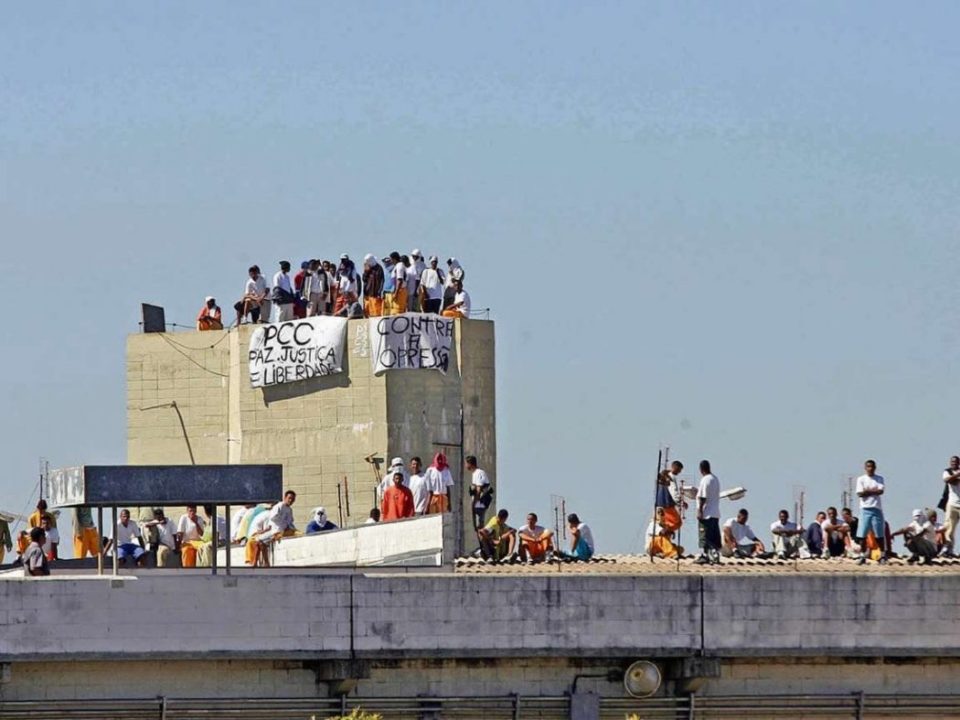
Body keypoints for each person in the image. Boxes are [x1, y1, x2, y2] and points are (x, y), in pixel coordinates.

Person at [255, 491, 298, 567]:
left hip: (279, 530)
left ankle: (265, 562)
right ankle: (261, 562)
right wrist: (284, 524)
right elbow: (273, 518)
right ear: (285, 498)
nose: (291, 501)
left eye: (293, 499)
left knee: (259, 540)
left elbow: (290, 521)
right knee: (260, 540)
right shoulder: (279, 506)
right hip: (276, 529)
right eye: (289, 498)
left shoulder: (289, 509)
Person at [856, 459, 887, 565]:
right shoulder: (861, 479)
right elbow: (860, 493)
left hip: (876, 508)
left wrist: (867, 491)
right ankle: (862, 555)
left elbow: (880, 491)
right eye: (868, 467)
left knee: (879, 534)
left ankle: (883, 554)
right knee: (862, 534)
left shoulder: (879, 478)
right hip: (865, 509)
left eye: (872, 467)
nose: (870, 469)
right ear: (865, 468)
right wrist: (873, 491)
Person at [695, 460, 721, 565]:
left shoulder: (705, 480)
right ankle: (715, 555)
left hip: (707, 514)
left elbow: (703, 497)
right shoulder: (715, 479)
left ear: (701, 469)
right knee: (713, 536)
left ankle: (705, 555)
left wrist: (700, 511)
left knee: (704, 536)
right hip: (715, 513)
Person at [655, 460, 684, 533]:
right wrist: (680, 503)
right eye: (679, 470)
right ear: (675, 468)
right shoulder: (671, 477)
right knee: (678, 522)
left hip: (660, 504)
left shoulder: (663, 476)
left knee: (665, 521)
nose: (679, 472)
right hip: (667, 505)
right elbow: (673, 491)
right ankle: (665, 530)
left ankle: (665, 530)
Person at [466, 455, 493, 530]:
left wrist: (474, 503)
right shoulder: (475, 473)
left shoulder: (479, 473)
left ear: (470, 464)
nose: (466, 466)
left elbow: (479, 489)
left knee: (479, 526)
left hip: (480, 504)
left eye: (466, 464)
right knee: (477, 527)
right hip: (478, 503)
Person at [942, 456, 960, 556]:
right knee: (949, 528)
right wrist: (957, 475)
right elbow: (948, 480)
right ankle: (948, 549)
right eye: (952, 462)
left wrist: (955, 478)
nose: (953, 463)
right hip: (952, 504)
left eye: (956, 462)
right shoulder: (946, 471)